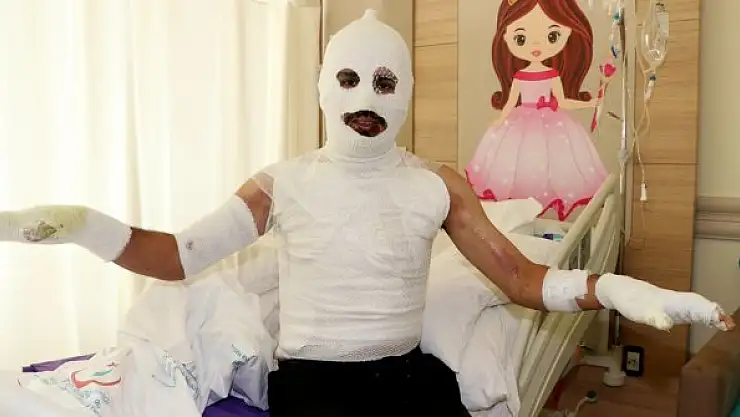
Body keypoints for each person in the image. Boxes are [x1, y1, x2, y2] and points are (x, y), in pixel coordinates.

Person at [0, 9, 734, 417]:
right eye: (349, 79)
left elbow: (522, 279)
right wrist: (80, 225)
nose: (365, 100)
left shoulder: (436, 186)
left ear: (405, 91)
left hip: (409, 383)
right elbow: (175, 257)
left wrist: (623, 290)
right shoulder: (282, 183)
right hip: (314, 388)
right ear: (325, 85)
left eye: (385, 82)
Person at [465, 0, 609, 221]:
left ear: (567, 33)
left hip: (553, 124)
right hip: (519, 124)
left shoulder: (552, 75)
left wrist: (591, 103)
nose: (536, 45)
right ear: (506, 38)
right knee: (518, 167)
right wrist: (500, 120)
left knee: (554, 167)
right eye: (521, 38)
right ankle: (525, 219)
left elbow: (563, 101)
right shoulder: (519, 77)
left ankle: (538, 218)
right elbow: (511, 102)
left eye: (552, 36)